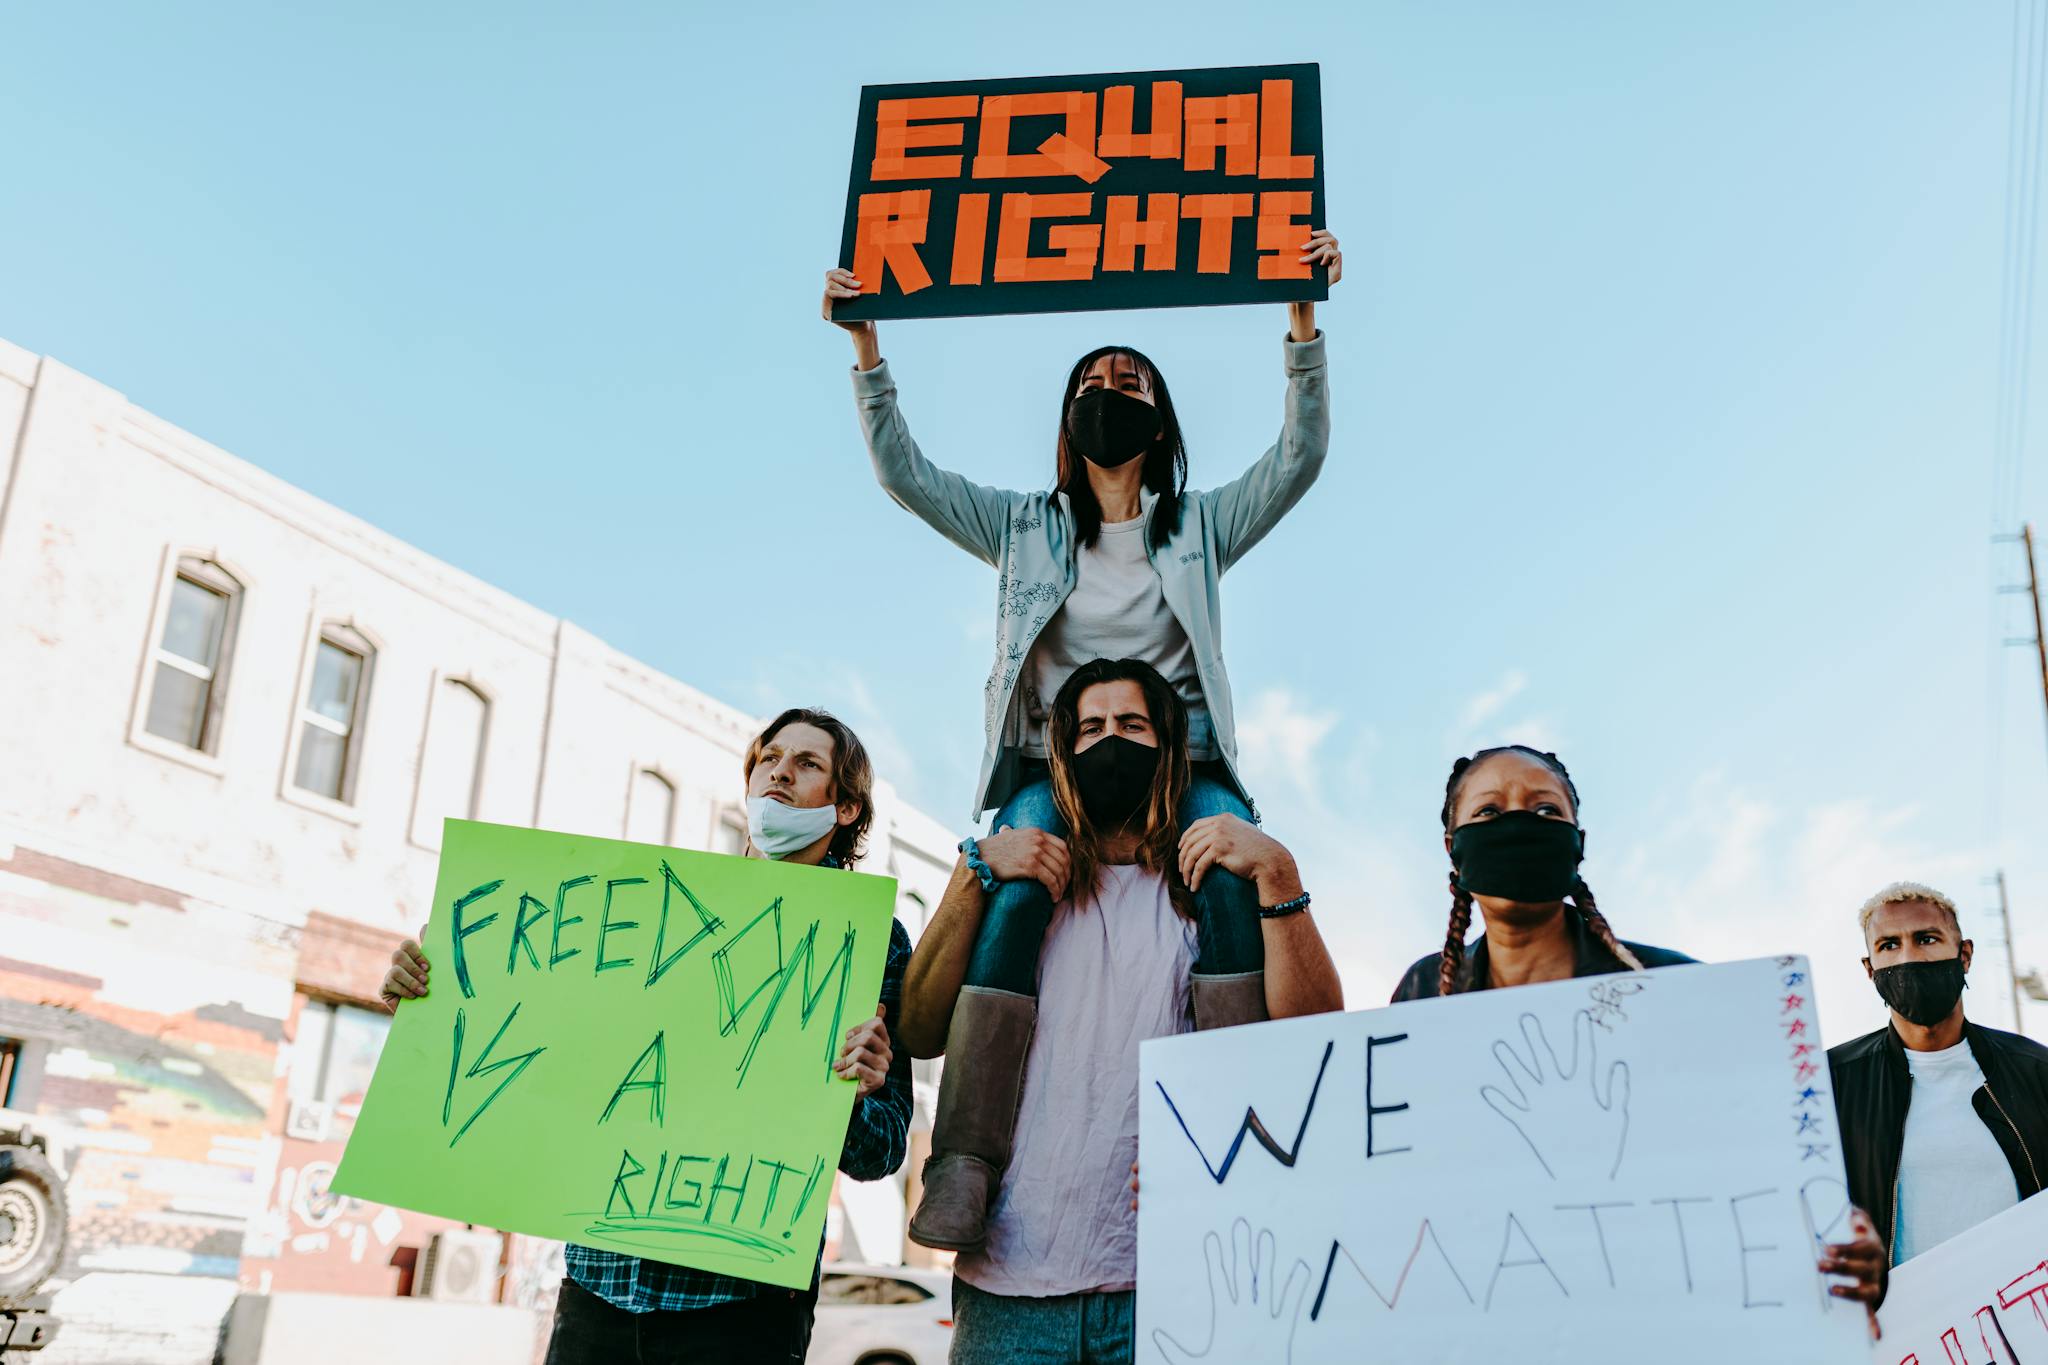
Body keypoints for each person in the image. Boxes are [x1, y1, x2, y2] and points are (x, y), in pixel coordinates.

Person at [822, 231, 1340, 1248]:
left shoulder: (1200, 525)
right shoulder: (1020, 527)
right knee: (1015, 883)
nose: (1111, 387)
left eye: (1131, 378)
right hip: (1051, 766)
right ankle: (965, 1156)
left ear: (1157, 418)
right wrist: (867, 350)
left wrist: (1300, 325)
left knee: (1229, 875)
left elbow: (1298, 458)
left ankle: (1233, 1132)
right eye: (1093, 380)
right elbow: (904, 476)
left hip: (1178, 763)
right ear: (1069, 420)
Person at [379, 708, 911, 1365]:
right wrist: (430, 1001)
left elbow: (881, 1148)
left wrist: (859, 1094)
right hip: (598, 1288)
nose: (780, 770)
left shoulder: (871, 942)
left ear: (848, 807)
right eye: (769, 757)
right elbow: (545, 1051)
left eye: (808, 763)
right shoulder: (652, 904)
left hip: (740, 1310)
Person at [897, 657, 1343, 1362]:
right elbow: (917, 1030)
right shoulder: (1011, 879)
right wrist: (972, 870)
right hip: (1008, 1289)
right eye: (1093, 727)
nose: (1112, 741)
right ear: (1063, 751)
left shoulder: (1216, 885)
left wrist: (1278, 872)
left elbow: (1314, 1038)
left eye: (1132, 724)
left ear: (1168, 747)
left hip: (1180, 1281)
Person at [1391, 744, 1889, 1324]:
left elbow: (1769, 1159)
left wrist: (1836, 1238)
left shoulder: (1680, 991)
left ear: (1579, 842)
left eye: (1546, 811)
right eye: (1490, 813)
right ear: (1453, 848)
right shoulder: (1422, 996)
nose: (1520, 824)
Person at [1830, 881, 2048, 1266]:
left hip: (2026, 1314)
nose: (1908, 958)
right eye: (1889, 945)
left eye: (1927, 939)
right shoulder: (1833, 1084)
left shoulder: (2034, 1070)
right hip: (1898, 1322)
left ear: (1964, 955)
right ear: (1869, 969)